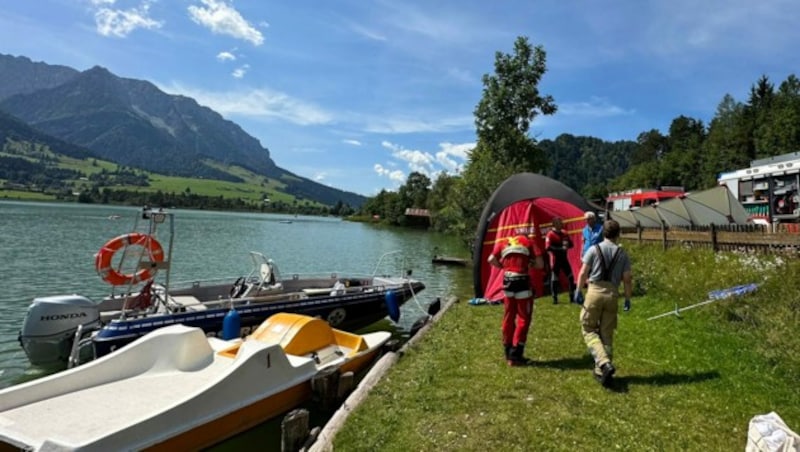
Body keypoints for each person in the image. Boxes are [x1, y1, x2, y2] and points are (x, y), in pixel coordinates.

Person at [574, 219, 633, 387]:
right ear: (618, 234)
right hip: (612, 295)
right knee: (606, 333)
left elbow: (583, 272)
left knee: (588, 329)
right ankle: (602, 373)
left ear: (603, 233)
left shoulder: (594, 249)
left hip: (594, 292)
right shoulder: (622, 254)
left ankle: (603, 363)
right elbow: (627, 278)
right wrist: (627, 298)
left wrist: (579, 290)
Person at [487, 234, 545, 366]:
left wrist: (504, 267)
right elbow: (540, 264)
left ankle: (507, 350)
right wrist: (530, 263)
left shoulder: (504, 242)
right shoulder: (529, 242)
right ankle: (516, 353)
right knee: (524, 318)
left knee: (508, 315)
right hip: (522, 281)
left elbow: (490, 259)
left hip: (508, 281)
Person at [545, 217, 577, 304]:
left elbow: (571, 244)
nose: (562, 224)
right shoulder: (550, 234)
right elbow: (548, 247)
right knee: (554, 278)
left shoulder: (564, 233)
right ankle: (555, 299)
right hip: (555, 259)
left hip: (564, 259)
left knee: (570, 277)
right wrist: (561, 248)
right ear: (555, 224)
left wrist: (568, 245)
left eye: (561, 222)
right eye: (559, 223)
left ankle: (572, 296)